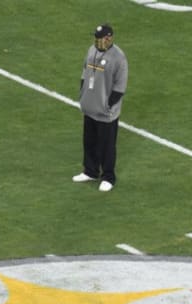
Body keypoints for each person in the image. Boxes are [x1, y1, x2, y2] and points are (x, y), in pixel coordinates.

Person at [72, 23, 128, 192]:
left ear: (109, 38)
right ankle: (90, 171)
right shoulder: (91, 50)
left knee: (106, 145)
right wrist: (83, 96)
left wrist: (108, 105)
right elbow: (84, 74)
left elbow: (120, 87)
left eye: (100, 38)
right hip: (90, 107)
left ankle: (109, 177)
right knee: (89, 141)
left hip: (106, 112)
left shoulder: (119, 58)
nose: (97, 41)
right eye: (96, 38)